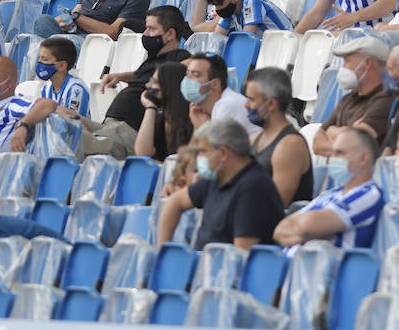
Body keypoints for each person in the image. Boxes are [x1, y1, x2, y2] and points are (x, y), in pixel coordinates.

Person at [157, 117, 285, 250]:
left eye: (203, 152)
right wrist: (162, 251)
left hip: (222, 268)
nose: (199, 158)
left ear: (223, 153)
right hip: (204, 265)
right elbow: (175, 202)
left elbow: (242, 254)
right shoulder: (216, 178)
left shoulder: (253, 188)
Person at [273, 126, 384, 251]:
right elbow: (279, 230)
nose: (333, 158)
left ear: (363, 159)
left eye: (340, 153)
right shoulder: (330, 194)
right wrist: (312, 235)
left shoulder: (369, 194)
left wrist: (302, 229)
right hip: (295, 265)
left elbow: (307, 224)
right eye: (332, 153)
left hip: (328, 268)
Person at [243, 68, 313, 207]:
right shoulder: (255, 139)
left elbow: (275, 205)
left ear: (271, 104)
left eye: (251, 99)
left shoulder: (290, 146)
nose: (246, 105)